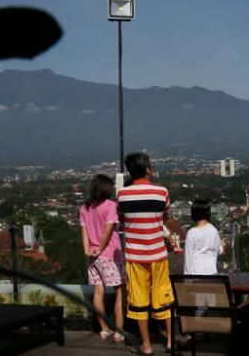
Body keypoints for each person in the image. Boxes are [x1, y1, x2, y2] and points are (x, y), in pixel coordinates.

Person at [118, 152, 181, 355]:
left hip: (135, 257)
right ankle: (170, 340)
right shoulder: (162, 192)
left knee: (138, 299)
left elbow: (122, 220)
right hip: (157, 254)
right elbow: (164, 219)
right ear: (147, 170)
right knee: (163, 294)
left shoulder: (122, 195)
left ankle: (145, 345)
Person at [79, 174, 125, 343]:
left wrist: (88, 251)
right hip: (110, 254)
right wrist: (100, 248)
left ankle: (104, 330)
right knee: (120, 291)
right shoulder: (110, 206)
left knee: (98, 293)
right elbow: (108, 230)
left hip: (92, 256)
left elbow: (84, 233)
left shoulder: (84, 208)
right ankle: (119, 331)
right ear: (106, 188)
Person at [184, 199, 225, 275]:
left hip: (196, 274)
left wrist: (187, 278)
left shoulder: (192, 232)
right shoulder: (214, 230)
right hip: (212, 273)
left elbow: (188, 258)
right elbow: (219, 250)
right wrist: (222, 244)